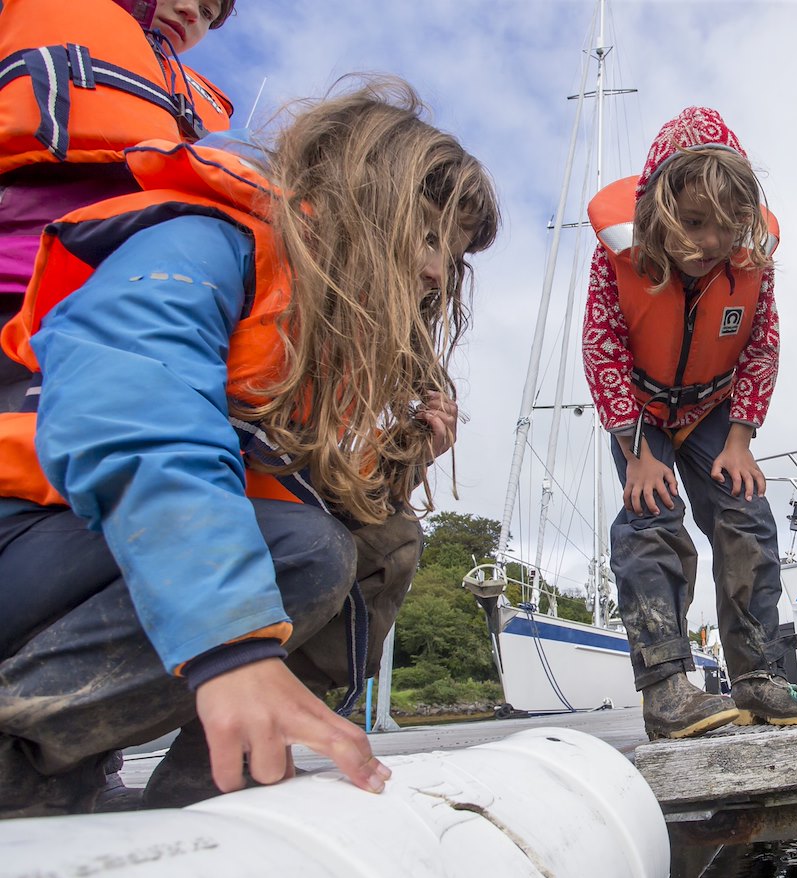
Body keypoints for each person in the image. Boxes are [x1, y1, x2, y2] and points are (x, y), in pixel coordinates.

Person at [0, 77, 499, 816]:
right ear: (358, 192)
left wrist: (403, 456)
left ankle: (210, 784)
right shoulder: (211, 240)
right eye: (427, 236)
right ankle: (28, 756)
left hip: (92, 564)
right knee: (306, 551)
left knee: (376, 544)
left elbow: (293, 497)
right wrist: (232, 644)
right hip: (26, 538)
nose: (433, 271)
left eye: (448, 257)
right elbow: (136, 404)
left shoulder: (316, 345)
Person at [583, 106, 797, 740]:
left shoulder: (753, 263)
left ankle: (760, 677)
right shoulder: (617, 259)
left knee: (745, 513)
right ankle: (666, 686)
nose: (708, 244)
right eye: (692, 224)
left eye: (725, 228)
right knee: (652, 519)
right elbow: (603, 347)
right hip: (641, 414)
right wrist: (637, 450)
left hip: (715, 406)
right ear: (659, 213)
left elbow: (761, 347)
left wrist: (742, 439)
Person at [0, 0, 236, 322]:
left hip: (123, 307)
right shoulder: (38, 11)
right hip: (16, 272)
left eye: (207, 13)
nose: (190, 12)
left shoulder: (199, 102)